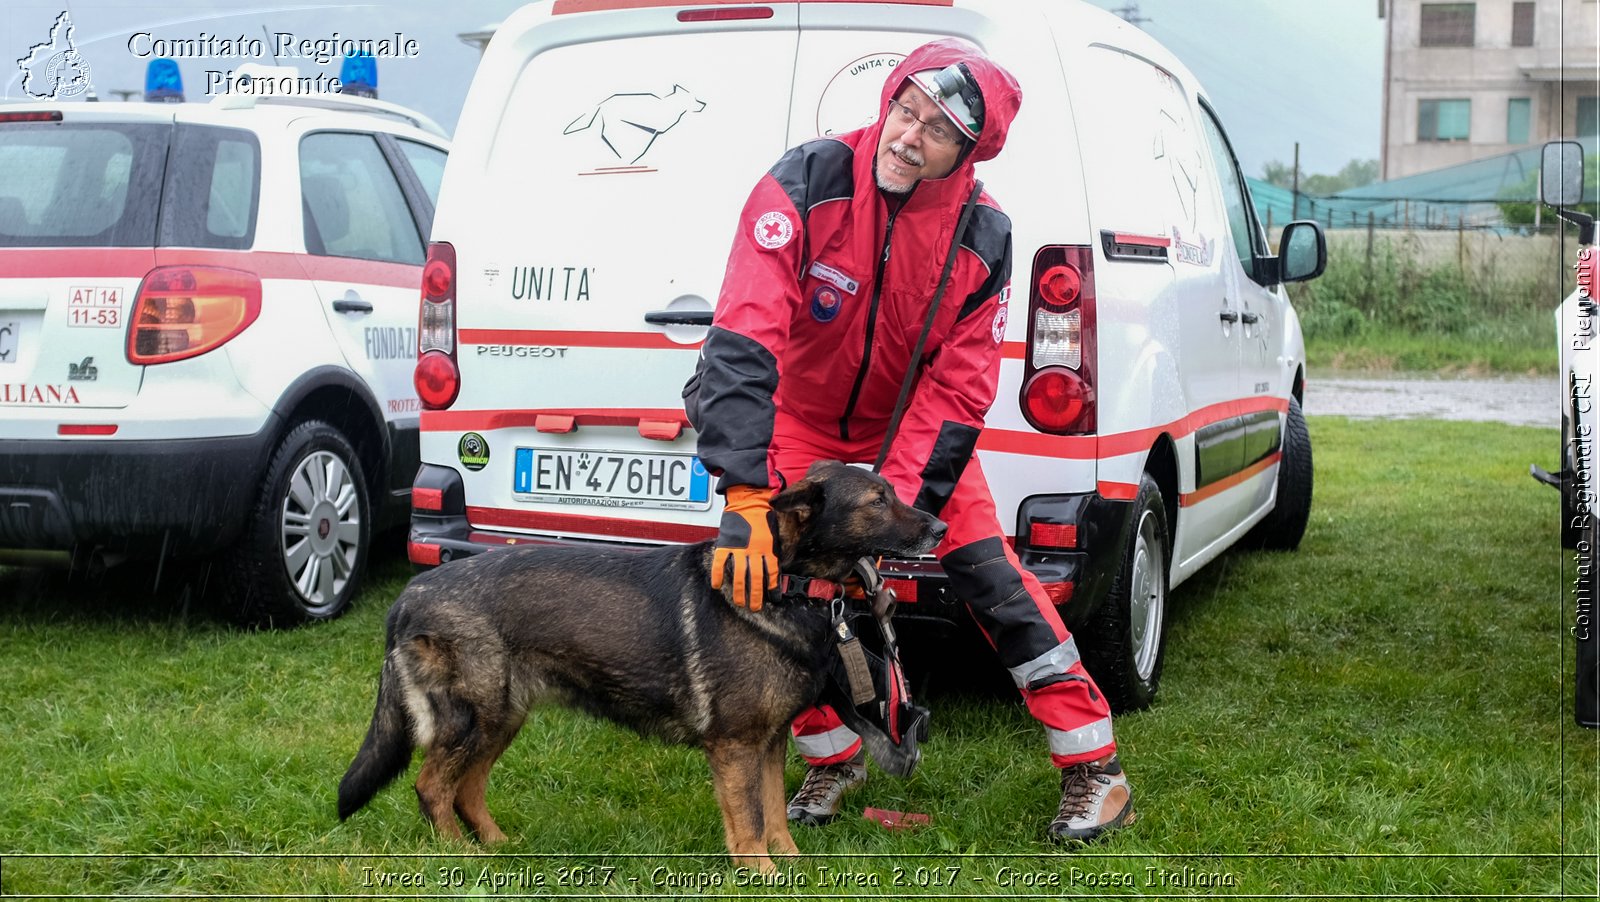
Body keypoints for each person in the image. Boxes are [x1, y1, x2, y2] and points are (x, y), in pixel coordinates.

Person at [684, 38, 1135, 842]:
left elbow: (958, 389)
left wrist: (888, 506)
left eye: (933, 129)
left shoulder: (984, 236)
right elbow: (744, 340)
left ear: (968, 151)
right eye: (904, 109)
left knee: (991, 580)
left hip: (908, 430)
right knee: (779, 587)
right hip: (800, 419)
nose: (906, 134)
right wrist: (747, 493)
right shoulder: (806, 180)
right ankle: (832, 756)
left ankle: (1094, 766)